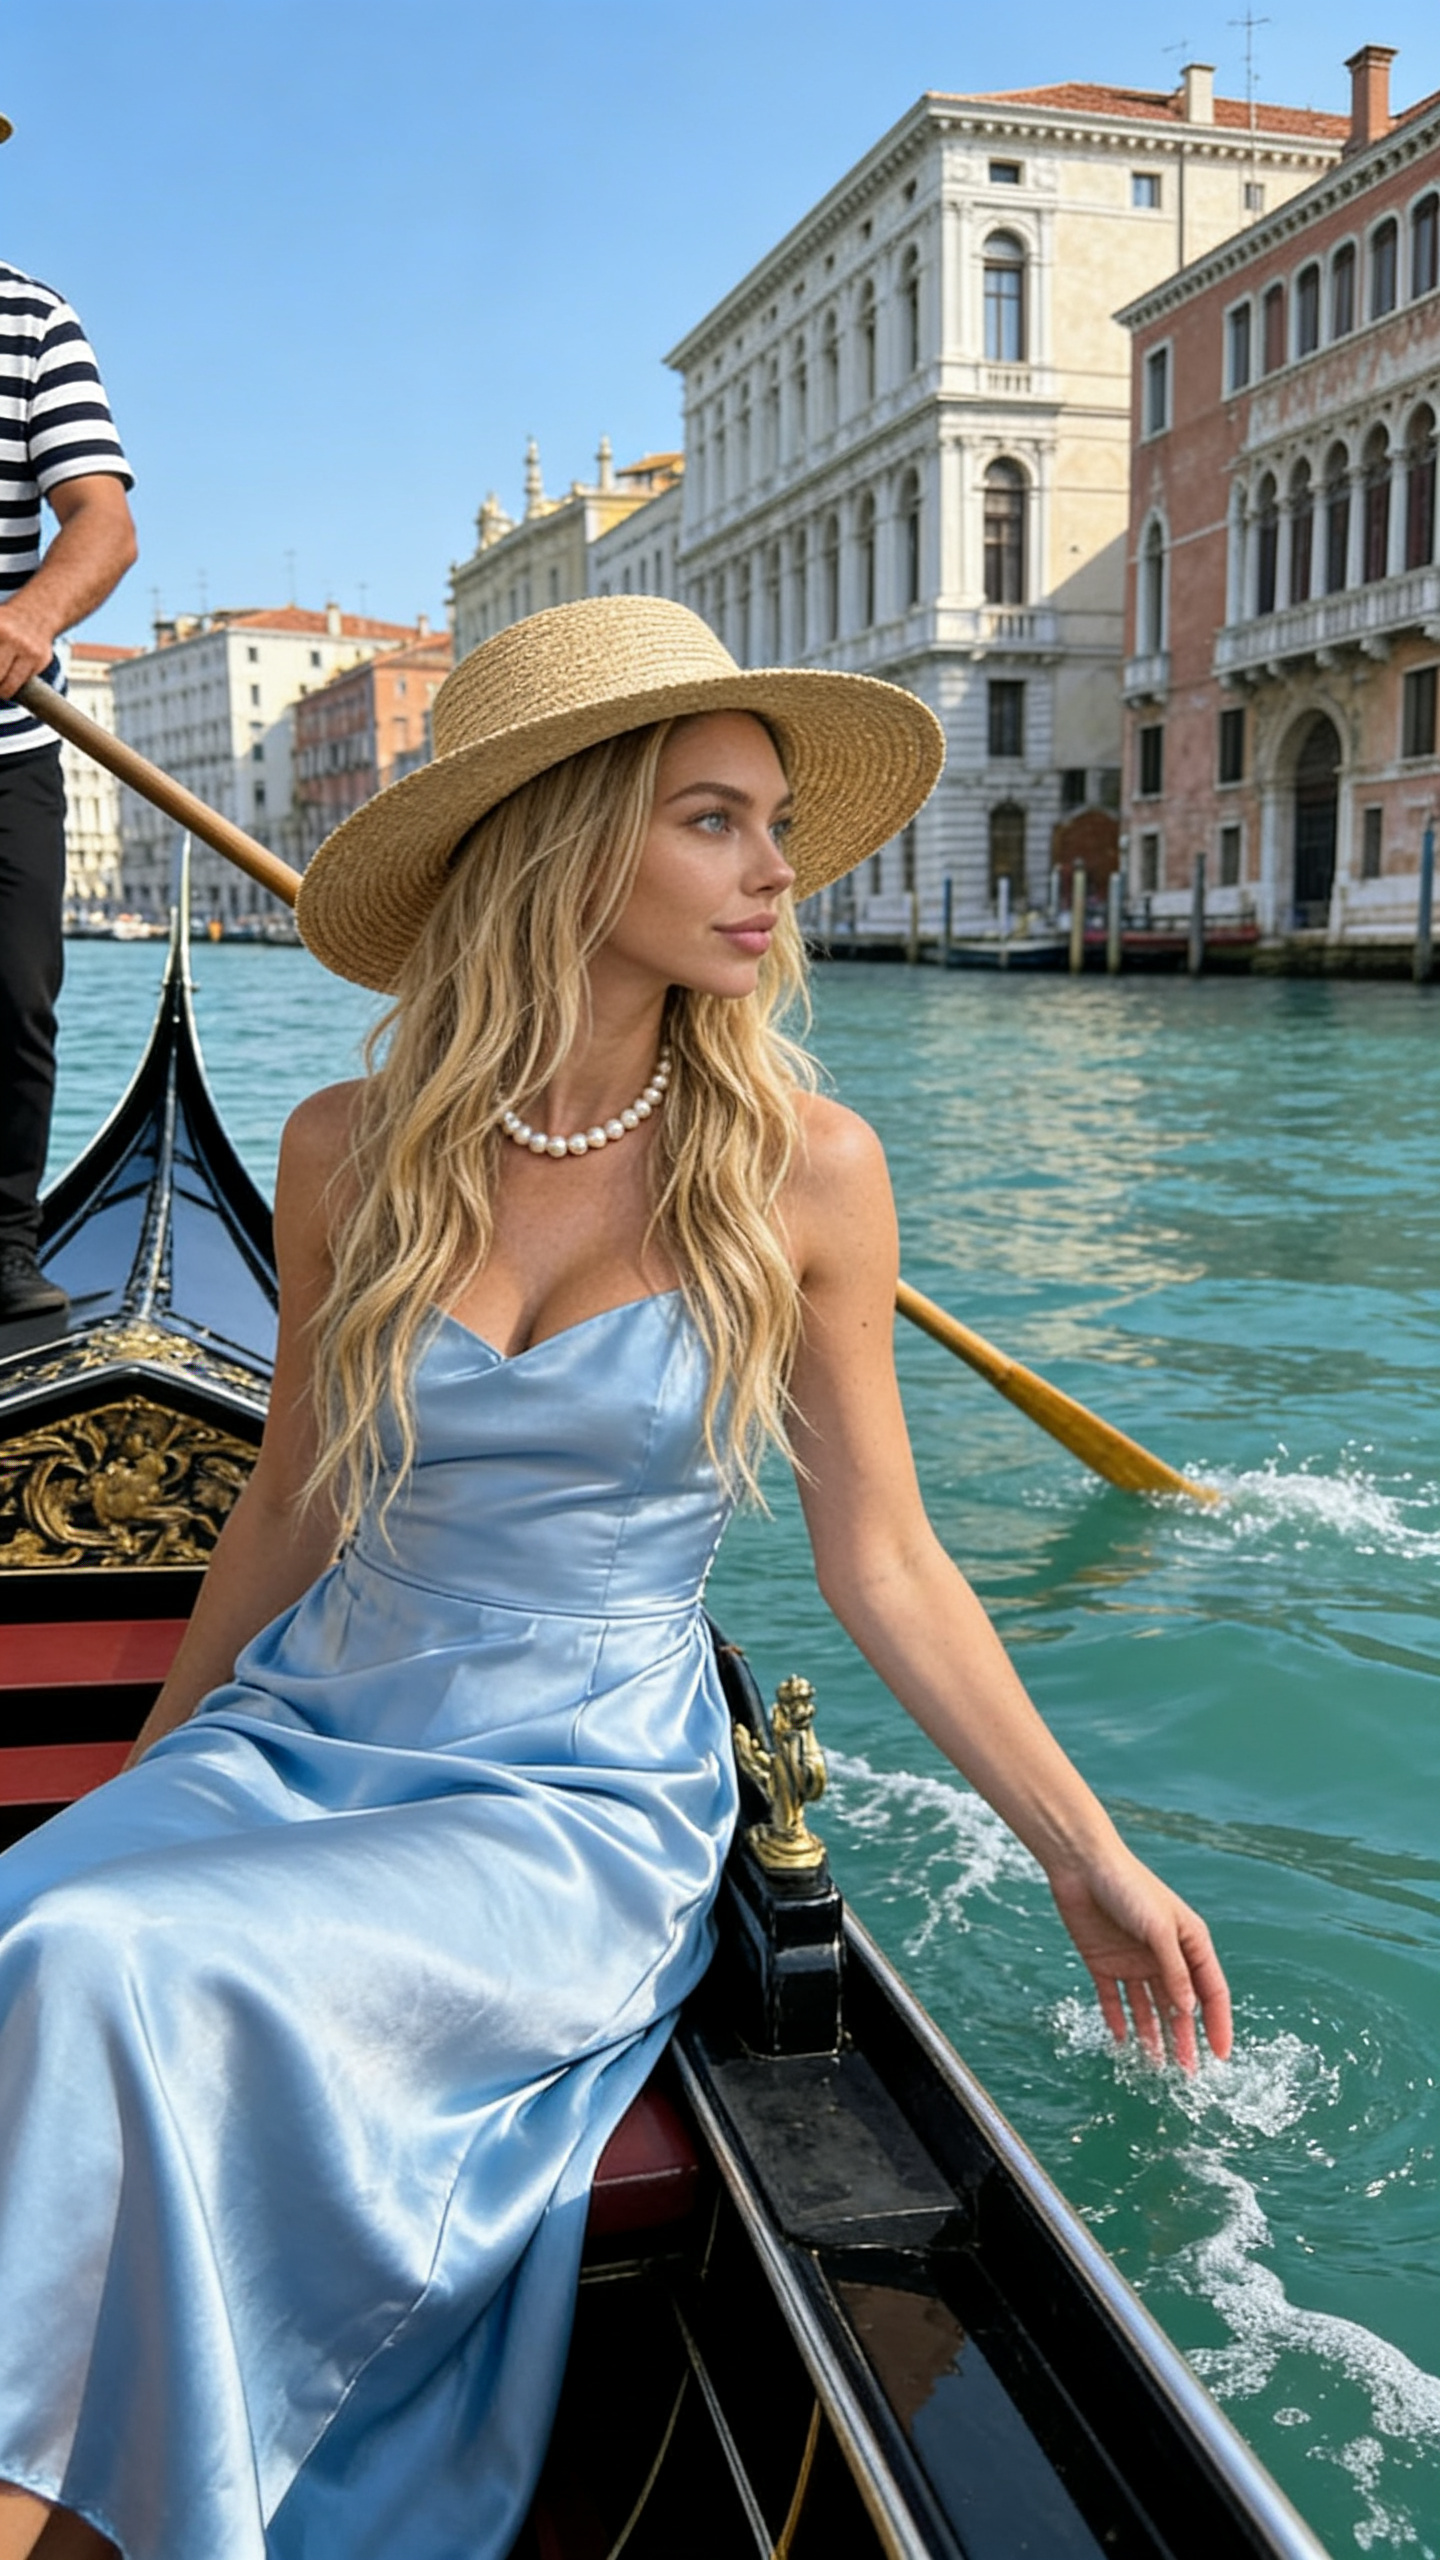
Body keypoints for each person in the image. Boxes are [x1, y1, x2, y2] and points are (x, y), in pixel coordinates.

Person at [0, 597, 1231, 2560]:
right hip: (326, 1708)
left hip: (579, 1784)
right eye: (714, 820)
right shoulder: (346, 1144)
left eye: (771, 823)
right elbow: (297, 1500)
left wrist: (1079, 1843)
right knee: (42, 1920)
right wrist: (154, 1765)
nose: (777, 873)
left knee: (112, 1965)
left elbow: (885, 1553)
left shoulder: (804, 1169)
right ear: (572, 840)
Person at [0, 106, 138, 1322]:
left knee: (10, 994)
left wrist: (30, 615)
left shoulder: (34, 318)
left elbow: (102, 517)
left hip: (3, 743)